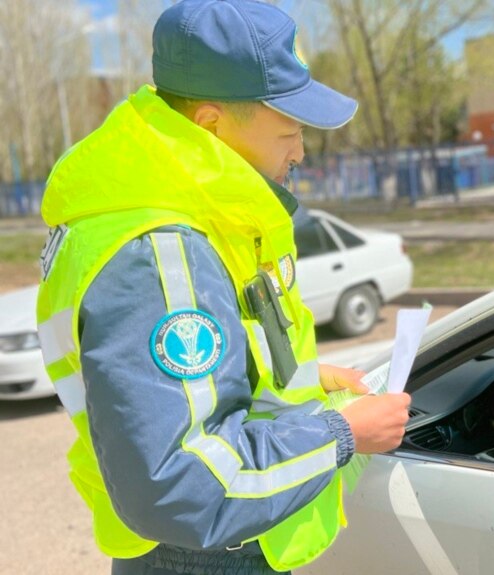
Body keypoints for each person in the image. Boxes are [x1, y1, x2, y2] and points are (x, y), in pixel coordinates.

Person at [36, 1, 410, 573]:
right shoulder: (159, 252)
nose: (300, 152)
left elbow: (198, 385)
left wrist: (303, 379)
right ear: (211, 125)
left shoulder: (165, 206)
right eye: (289, 131)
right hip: (205, 555)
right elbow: (181, 483)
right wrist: (341, 432)